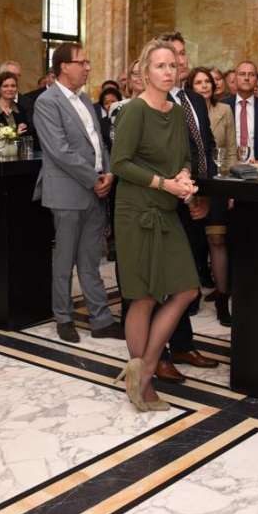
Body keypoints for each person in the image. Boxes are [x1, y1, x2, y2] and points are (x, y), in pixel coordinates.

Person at [111, 39, 201, 412]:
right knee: (144, 296)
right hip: (136, 211)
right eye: (160, 65)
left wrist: (184, 177)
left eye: (172, 65)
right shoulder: (134, 110)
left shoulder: (176, 112)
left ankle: (144, 368)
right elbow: (120, 163)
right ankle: (143, 381)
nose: (167, 71)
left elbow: (184, 157)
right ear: (145, 72)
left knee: (187, 289)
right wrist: (165, 184)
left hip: (165, 210)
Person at [33, 42, 123, 342]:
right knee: (64, 260)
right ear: (63, 67)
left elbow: (98, 142)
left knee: (90, 260)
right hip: (67, 192)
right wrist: (94, 178)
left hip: (95, 189)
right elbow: (59, 150)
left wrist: (108, 172)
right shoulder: (47, 102)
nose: (87, 67)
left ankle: (101, 320)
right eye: (81, 62)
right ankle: (63, 317)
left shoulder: (84, 99)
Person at [157, 32, 218, 379]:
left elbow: (205, 147)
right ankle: (159, 352)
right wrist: (183, 191)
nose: (179, 61)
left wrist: (204, 194)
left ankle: (182, 344)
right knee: (163, 281)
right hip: (165, 200)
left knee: (187, 277)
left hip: (194, 200)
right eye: (172, 55)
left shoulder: (194, 98)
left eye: (182, 54)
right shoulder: (155, 100)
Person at [188, 67, 234, 325]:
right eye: (198, 82)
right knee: (193, 244)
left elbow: (230, 151)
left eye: (207, 81)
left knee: (217, 239)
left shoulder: (224, 110)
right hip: (191, 184)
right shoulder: (183, 110)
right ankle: (192, 295)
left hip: (217, 183)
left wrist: (230, 187)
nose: (205, 86)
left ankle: (222, 299)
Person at [224, 60, 258, 163]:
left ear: (256, 80)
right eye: (242, 74)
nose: (246, 78)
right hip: (228, 167)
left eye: (251, 75)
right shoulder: (223, 106)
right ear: (235, 79)